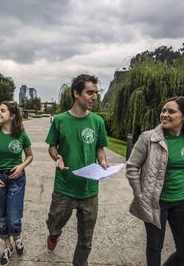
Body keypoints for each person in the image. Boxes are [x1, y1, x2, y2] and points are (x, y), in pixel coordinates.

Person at [126, 96, 184, 266]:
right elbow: (132, 166)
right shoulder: (148, 138)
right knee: (155, 247)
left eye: (171, 111)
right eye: (163, 111)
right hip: (156, 202)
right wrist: (140, 195)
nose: (165, 114)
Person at [45, 74, 108, 266]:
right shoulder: (60, 120)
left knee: (86, 239)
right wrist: (57, 157)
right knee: (54, 222)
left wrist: (103, 162)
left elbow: (99, 148)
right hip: (65, 186)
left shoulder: (97, 122)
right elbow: (52, 146)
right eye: (89, 92)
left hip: (89, 189)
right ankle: (54, 234)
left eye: (96, 93)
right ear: (76, 93)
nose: (94, 97)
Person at [0, 101, 33, 266]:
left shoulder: (22, 135)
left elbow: (30, 156)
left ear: (12, 115)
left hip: (16, 177)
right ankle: (8, 246)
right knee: (0, 216)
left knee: (14, 217)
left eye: (2, 111)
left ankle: (17, 237)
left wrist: (21, 165)